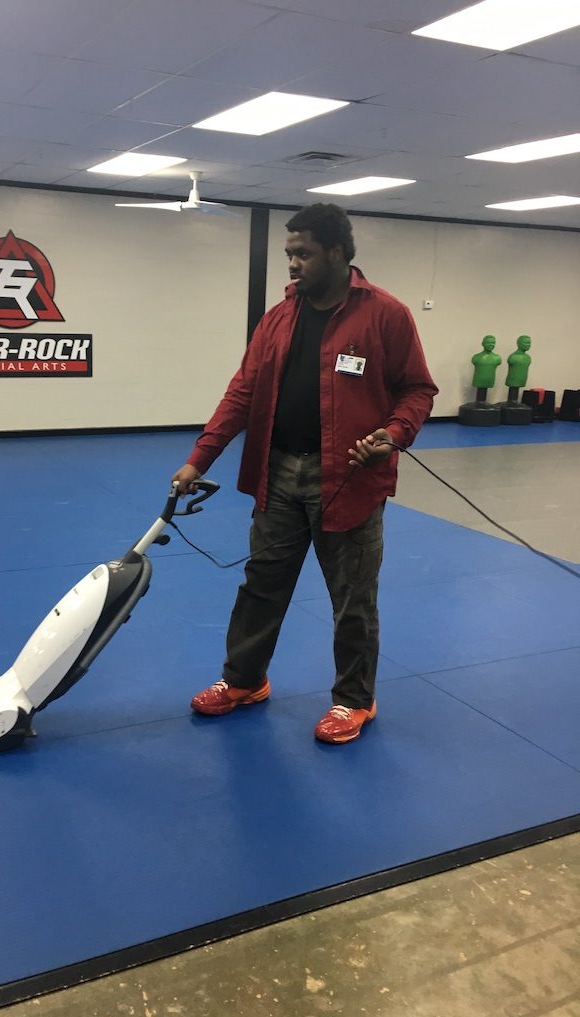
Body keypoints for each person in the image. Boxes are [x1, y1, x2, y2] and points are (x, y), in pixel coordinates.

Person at [172, 203, 438, 743]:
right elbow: (242, 391)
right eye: (289, 254)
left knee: (352, 599)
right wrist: (200, 457)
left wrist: (393, 434)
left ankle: (354, 701)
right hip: (278, 475)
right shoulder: (279, 316)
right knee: (261, 586)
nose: (292, 264)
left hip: (349, 483)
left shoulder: (385, 314)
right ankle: (244, 681)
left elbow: (418, 389)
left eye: (304, 254)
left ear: (338, 253)